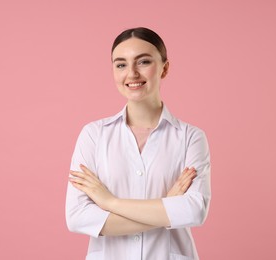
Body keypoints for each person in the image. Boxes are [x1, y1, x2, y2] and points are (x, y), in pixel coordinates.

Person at [66, 27, 211, 260]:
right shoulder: (93, 135)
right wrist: (167, 207)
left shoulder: (190, 137)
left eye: (143, 62)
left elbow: (193, 211)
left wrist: (108, 202)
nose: (131, 73)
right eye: (121, 64)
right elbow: (77, 217)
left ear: (165, 68)